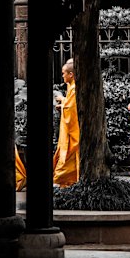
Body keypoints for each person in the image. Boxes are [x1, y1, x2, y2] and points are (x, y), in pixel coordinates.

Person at [52, 59, 80, 188]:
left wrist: (63, 102)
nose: (62, 76)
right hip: (70, 129)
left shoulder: (74, 88)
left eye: (64, 73)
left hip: (72, 131)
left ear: (71, 74)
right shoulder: (72, 87)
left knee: (69, 153)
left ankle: (63, 179)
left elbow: (71, 109)